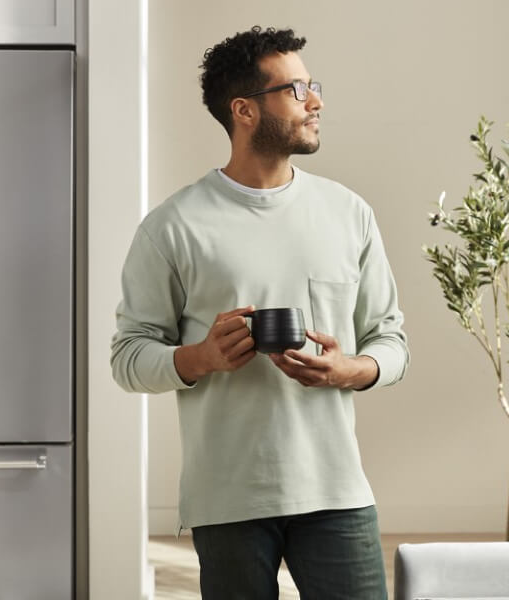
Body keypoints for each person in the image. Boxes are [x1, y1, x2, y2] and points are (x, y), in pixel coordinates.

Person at [110, 26, 409, 599]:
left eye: (312, 86)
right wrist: (198, 357)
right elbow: (128, 356)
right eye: (297, 90)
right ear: (244, 110)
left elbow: (390, 338)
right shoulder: (173, 227)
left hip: (337, 492)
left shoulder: (349, 213)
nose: (316, 101)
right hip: (227, 500)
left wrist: (356, 369)